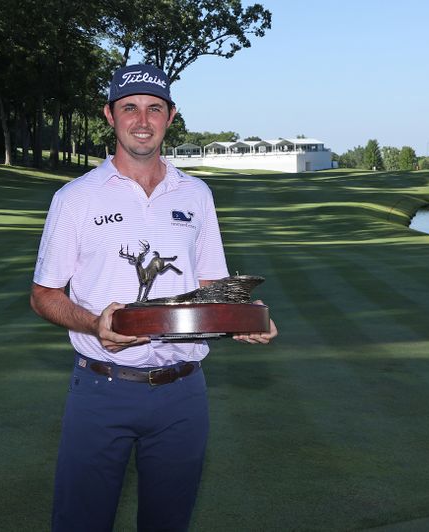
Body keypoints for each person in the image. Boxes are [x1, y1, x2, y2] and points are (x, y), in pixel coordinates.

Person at [30, 63, 278, 532]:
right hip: (101, 389)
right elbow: (44, 295)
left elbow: (212, 287)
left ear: (170, 116)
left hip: (183, 393)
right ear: (109, 115)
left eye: (154, 108)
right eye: (130, 108)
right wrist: (92, 324)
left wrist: (244, 318)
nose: (142, 120)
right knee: (80, 522)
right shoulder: (75, 198)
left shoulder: (197, 194)